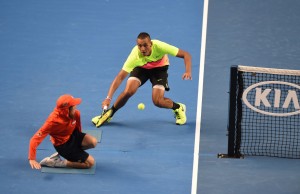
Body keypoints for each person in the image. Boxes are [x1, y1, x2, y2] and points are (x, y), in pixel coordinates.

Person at [92, 32, 192, 127]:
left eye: (145, 45)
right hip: (142, 68)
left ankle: (178, 107)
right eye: (139, 46)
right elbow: (120, 77)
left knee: (157, 101)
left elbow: (186, 54)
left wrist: (187, 71)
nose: (142, 49)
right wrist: (108, 98)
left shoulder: (160, 46)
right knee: (128, 91)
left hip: (159, 69)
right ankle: (109, 113)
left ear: (151, 44)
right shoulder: (135, 55)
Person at [28, 94, 97, 169]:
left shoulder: (76, 113)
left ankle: (72, 154)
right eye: (74, 105)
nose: (76, 106)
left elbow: (78, 129)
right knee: (90, 163)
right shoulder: (52, 121)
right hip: (63, 145)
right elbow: (35, 139)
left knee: (93, 142)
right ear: (67, 109)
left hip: (72, 136)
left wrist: (78, 141)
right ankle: (56, 162)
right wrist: (32, 159)